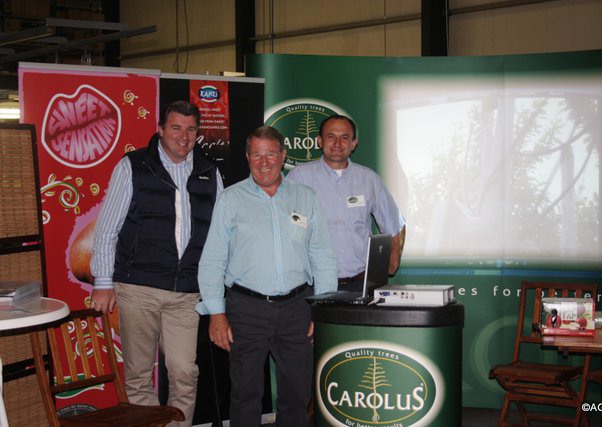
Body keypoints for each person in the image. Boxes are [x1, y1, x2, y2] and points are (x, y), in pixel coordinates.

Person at [90, 100, 223, 427]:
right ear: (161, 130)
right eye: (176, 128)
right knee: (138, 375)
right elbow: (107, 229)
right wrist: (103, 282)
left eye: (191, 129)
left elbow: (221, 235)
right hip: (138, 288)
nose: (184, 136)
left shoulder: (209, 172)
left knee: (184, 372)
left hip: (187, 294)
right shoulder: (133, 166)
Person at [197, 126, 337, 427]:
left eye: (271, 154)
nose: (264, 162)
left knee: (297, 395)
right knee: (245, 395)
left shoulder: (306, 197)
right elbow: (212, 260)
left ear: (283, 156)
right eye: (257, 155)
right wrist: (216, 314)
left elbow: (323, 256)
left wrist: (322, 310)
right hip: (246, 309)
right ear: (247, 158)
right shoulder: (230, 199)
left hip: (298, 308)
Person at [287, 114, 406, 291]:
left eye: (344, 137)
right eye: (331, 136)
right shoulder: (299, 177)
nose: (337, 143)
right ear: (319, 141)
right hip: (313, 285)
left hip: (361, 283)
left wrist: (392, 262)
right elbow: (282, 224)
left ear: (353, 143)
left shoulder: (369, 179)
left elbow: (395, 224)